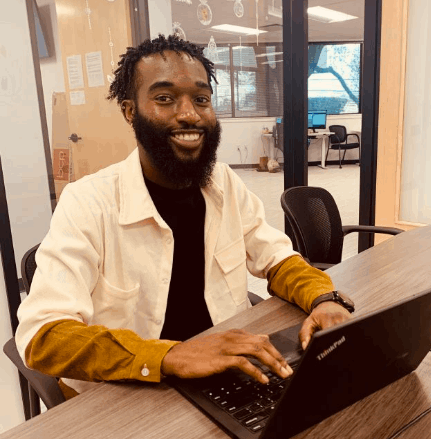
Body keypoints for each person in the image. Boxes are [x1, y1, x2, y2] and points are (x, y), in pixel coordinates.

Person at [16, 35, 352, 400]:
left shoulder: (224, 183)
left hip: (226, 376)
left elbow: (278, 259)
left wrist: (323, 297)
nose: (189, 114)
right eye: (164, 98)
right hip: (126, 395)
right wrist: (169, 355)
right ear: (130, 111)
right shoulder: (88, 202)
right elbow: (42, 335)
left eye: (201, 99)